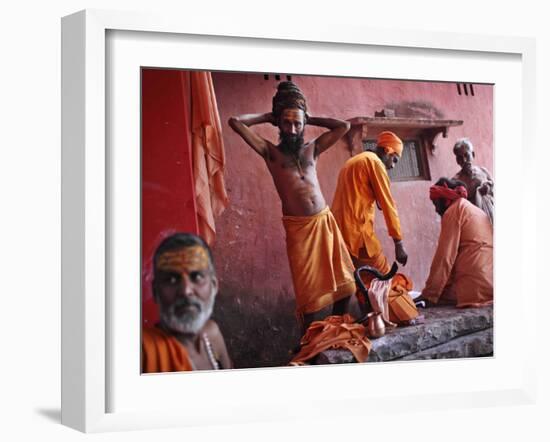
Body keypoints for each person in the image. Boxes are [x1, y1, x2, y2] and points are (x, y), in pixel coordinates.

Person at [228, 81, 356, 328]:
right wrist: (269, 116)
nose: (293, 129)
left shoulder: (313, 149)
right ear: (278, 123)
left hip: (325, 223)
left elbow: (344, 126)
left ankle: (335, 330)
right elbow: (235, 122)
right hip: (299, 230)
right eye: (287, 122)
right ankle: (310, 342)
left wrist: (309, 117)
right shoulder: (270, 153)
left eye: (298, 123)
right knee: (308, 295)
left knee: (346, 285)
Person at [142, 232, 232, 372]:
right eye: (172, 279)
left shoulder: (212, 335)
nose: (185, 291)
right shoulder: (143, 351)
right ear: (155, 291)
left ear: (214, 286)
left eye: (196, 277)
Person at [332, 131, 408, 281]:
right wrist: (398, 243)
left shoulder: (355, 160)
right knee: (384, 281)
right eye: (394, 160)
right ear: (387, 151)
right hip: (358, 234)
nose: (392, 166)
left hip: (339, 232)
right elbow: (388, 205)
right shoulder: (375, 163)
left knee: (359, 283)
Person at [418, 177, 493, 308]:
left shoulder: (453, 210)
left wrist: (429, 294)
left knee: (433, 298)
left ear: (445, 198)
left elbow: (444, 257)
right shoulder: (473, 209)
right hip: (491, 283)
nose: (436, 209)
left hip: (475, 287)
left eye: (436, 203)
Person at [452, 138, 494, 224]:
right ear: (457, 161)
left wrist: (489, 188)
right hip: (474, 223)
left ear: (473, 155)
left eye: (466, 155)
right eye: (460, 158)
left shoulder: (483, 171)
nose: (464, 160)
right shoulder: (455, 181)